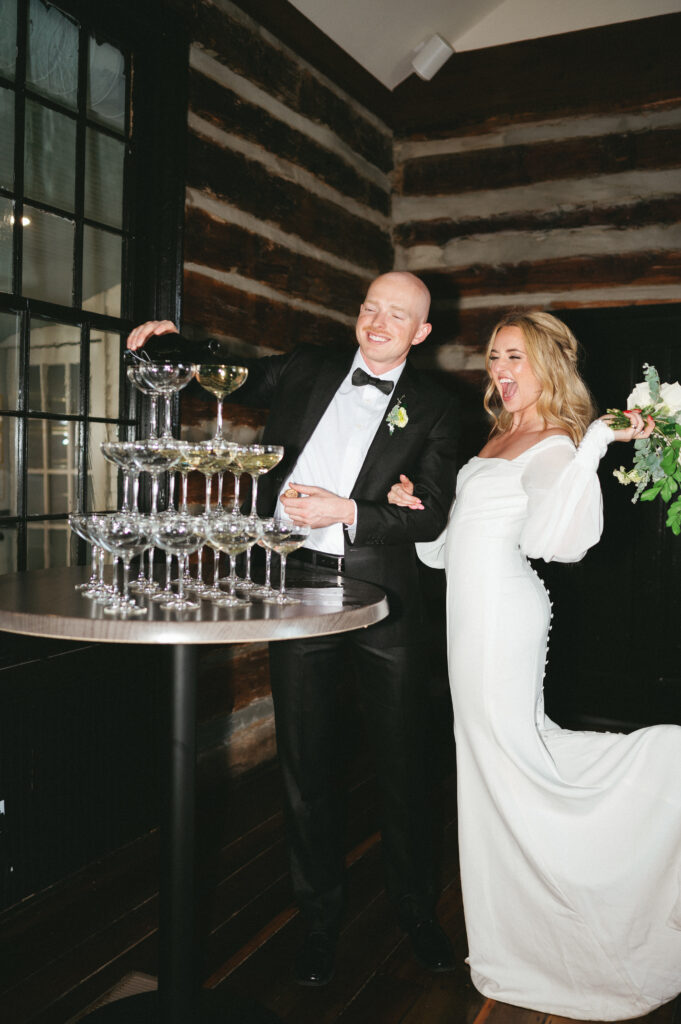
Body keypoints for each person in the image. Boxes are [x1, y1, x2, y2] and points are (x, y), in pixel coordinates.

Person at [127, 272, 460, 986]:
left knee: (403, 761)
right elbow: (234, 374)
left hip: (385, 597)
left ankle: (414, 910)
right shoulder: (308, 367)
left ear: (420, 332)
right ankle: (317, 920)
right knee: (305, 763)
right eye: (370, 307)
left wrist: (348, 512)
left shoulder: (435, 404)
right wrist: (168, 344)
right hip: (295, 582)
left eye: (396, 315)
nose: (377, 322)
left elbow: (432, 512)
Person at [388, 309, 681, 1020]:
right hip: (469, 614)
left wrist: (592, 446)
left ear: (548, 363)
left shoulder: (551, 440)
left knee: (510, 761)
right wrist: (417, 507)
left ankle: (662, 771)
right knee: (496, 761)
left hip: (501, 619)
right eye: (493, 357)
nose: (499, 370)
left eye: (514, 356)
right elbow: (447, 548)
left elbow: (561, 539)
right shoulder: (499, 435)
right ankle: (523, 932)